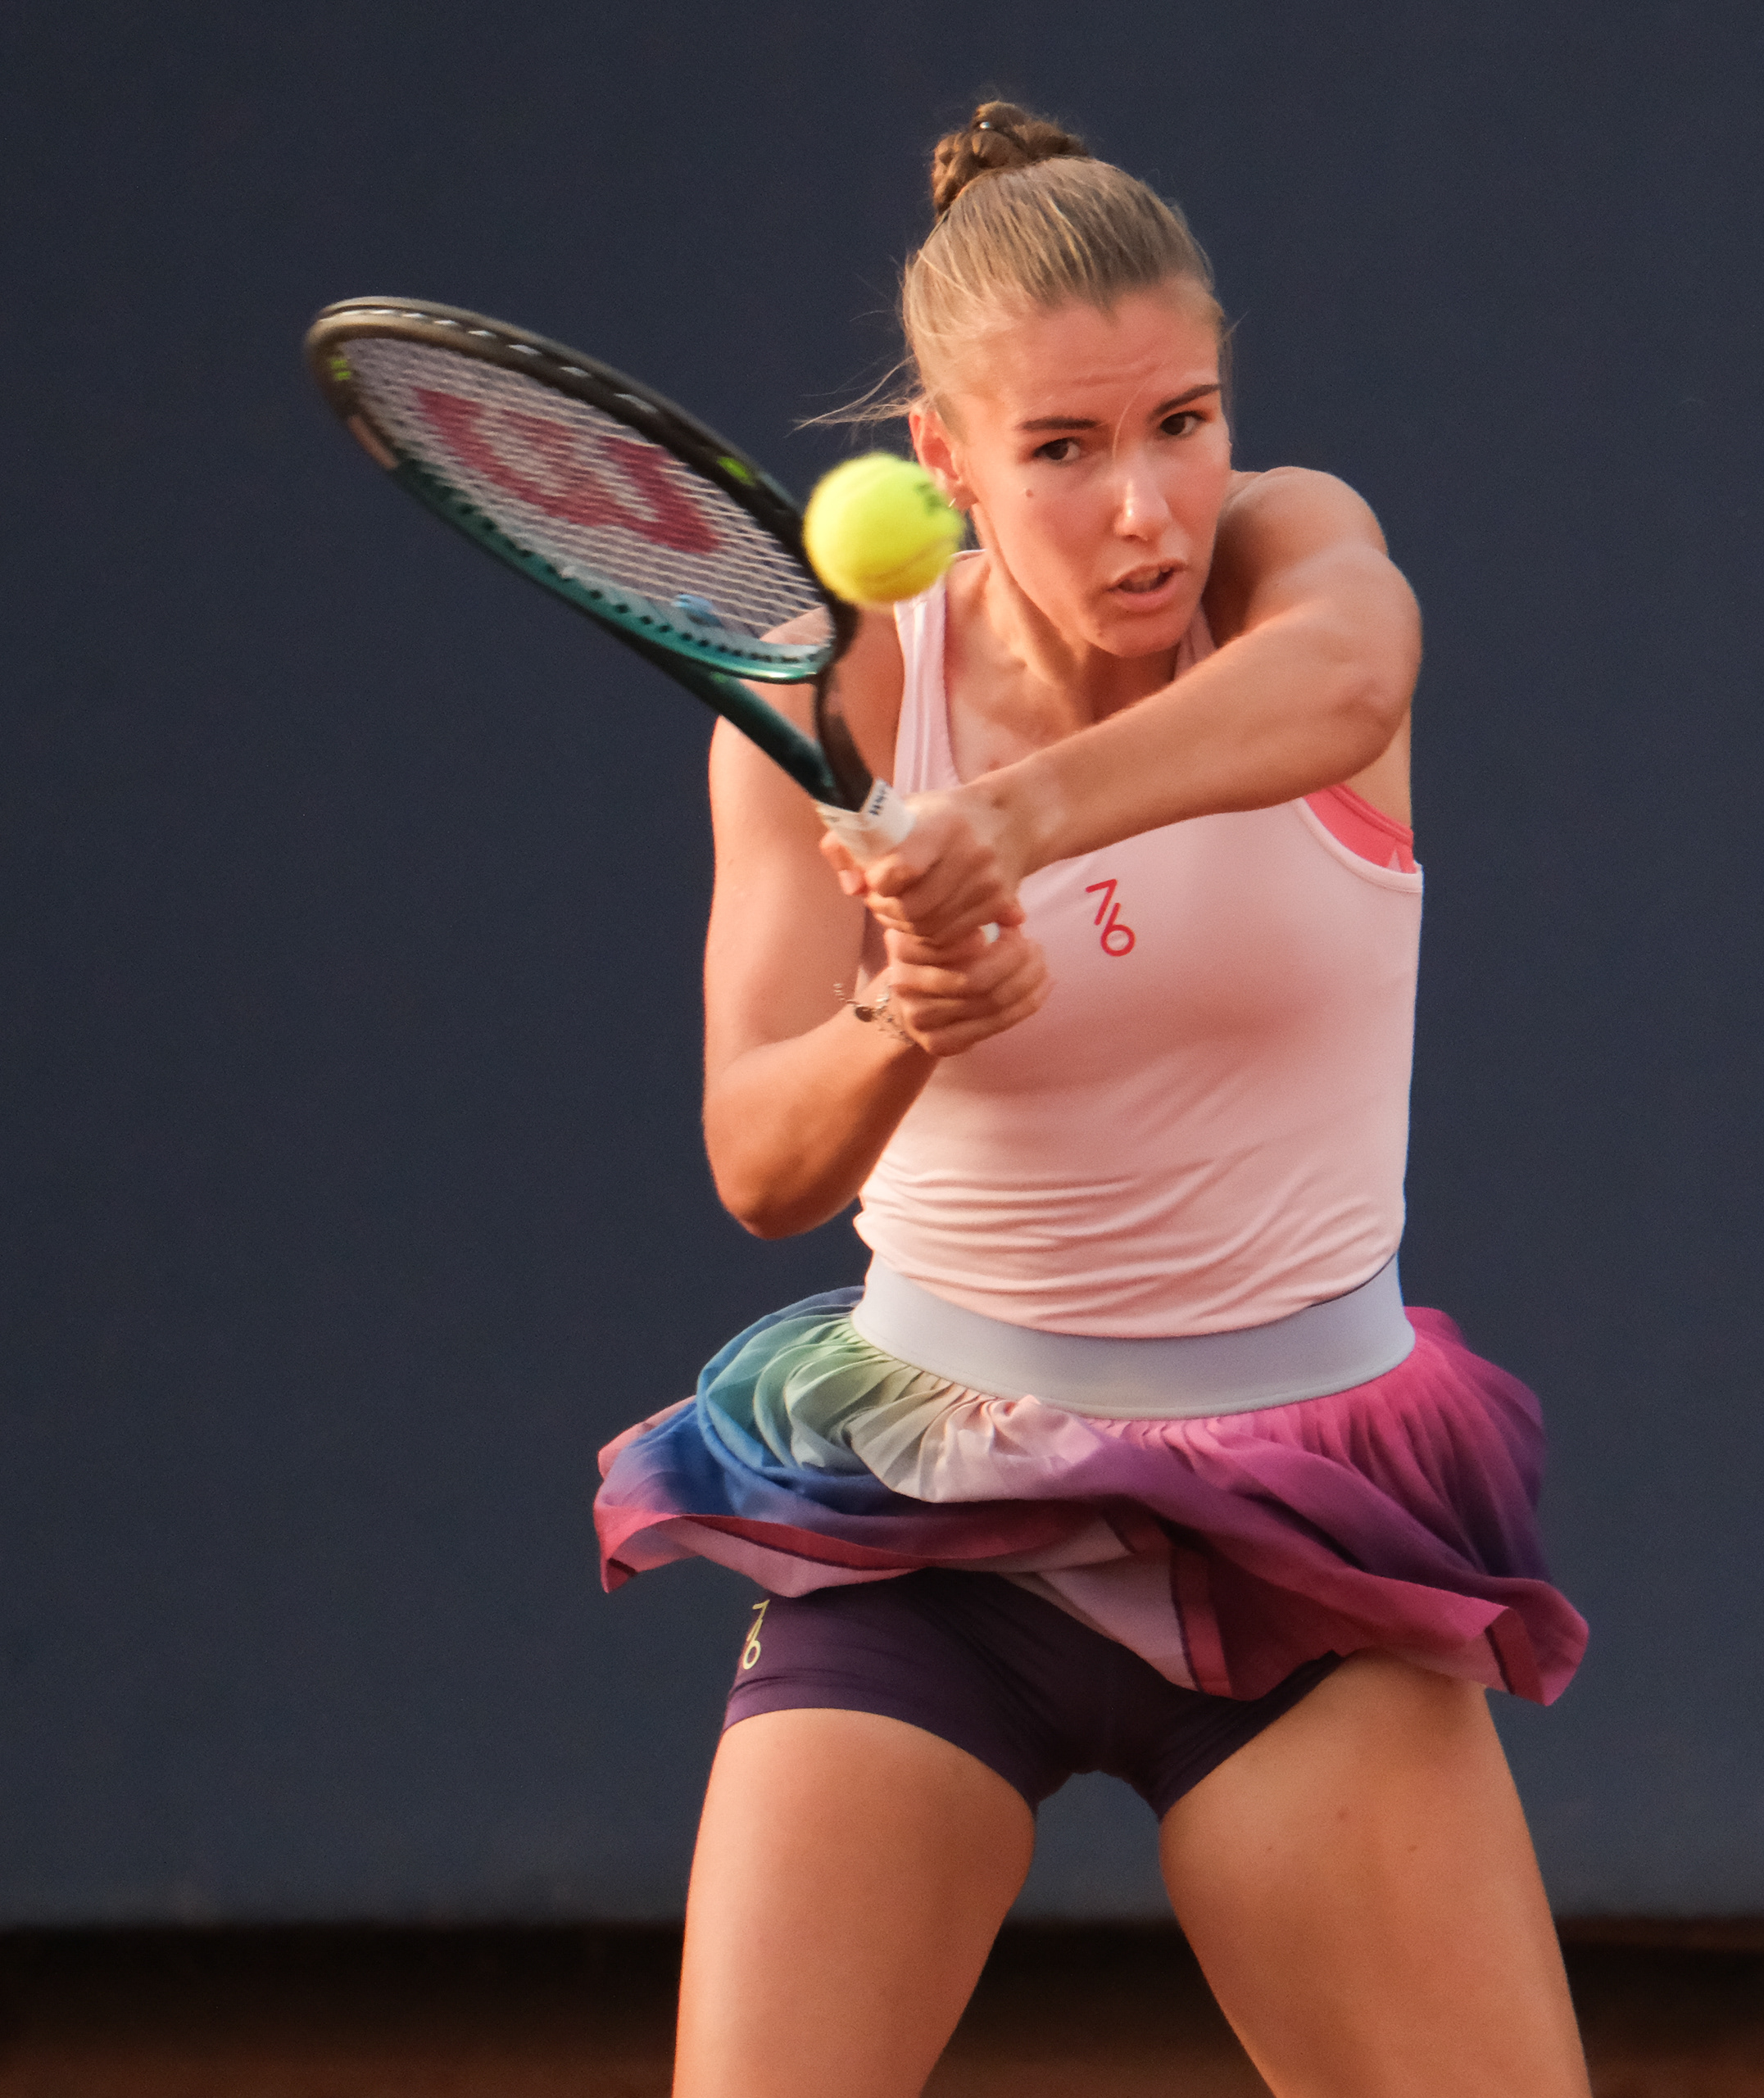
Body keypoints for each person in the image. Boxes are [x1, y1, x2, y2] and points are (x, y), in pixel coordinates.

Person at [591, 103, 1590, 2098]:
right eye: (1062, 451)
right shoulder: (843, 686)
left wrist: (1009, 827)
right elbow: (760, 1159)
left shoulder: (1300, 556)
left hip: (1300, 1546)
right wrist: (910, 1020)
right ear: (942, 466)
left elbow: (1346, 682)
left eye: (1182, 424)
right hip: (926, 1542)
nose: (1149, 512)